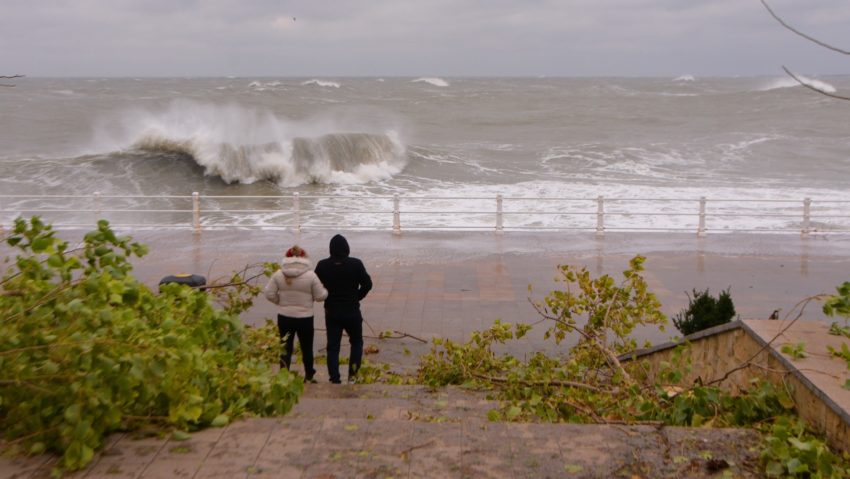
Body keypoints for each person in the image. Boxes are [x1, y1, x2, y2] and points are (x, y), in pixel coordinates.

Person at [264, 245, 327, 382]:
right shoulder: (311, 275)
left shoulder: (279, 274)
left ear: (287, 258)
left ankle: (284, 375)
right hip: (305, 318)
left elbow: (268, 293)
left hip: (284, 317)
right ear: (304, 258)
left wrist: (280, 302)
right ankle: (309, 375)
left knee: (285, 347)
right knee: (306, 347)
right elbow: (320, 296)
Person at [315, 234, 372, 384]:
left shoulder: (322, 266)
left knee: (333, 347)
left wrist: (326, 296)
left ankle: (335, 379)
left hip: (332, 312)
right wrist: (357, 297)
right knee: (357, 342)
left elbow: (315, 287)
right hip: (352, 311)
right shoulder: (356, 264)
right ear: (347, 248)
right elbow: (368, 284)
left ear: (330, 249)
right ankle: (352, 377)